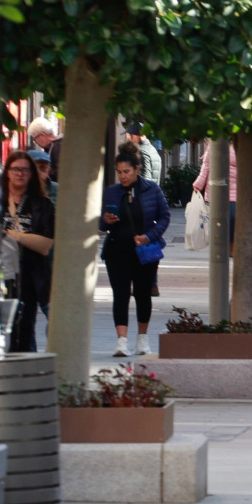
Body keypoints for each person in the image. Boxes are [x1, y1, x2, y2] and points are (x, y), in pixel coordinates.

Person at [100, 151, 170, 357]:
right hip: (117, 250)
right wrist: (106, 220)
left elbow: (164, 216)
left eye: (127, 171)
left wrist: (149, 236)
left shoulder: (152, 189)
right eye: (119, 172)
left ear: (137, 169)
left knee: (142, 294)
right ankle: (121, 341)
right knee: (120, 295)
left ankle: (142, 339)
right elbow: (100, 222)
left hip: (144, 250)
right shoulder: (111, 192)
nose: (122, 176)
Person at [0, 151, 55, 352]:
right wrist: (26, 237)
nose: (20, 174)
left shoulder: (42, 205)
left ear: (32, 174)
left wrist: (14, 235)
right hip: (0, 275)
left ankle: (24, 365)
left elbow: (45, 244)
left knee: (25, 324)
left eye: (25, 170)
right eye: (15, 169)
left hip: (31, 275)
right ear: (7, 172)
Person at [192, 142, 238, 252]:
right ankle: (221, 247)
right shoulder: (213, 145)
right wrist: (198, 184)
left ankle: (231, 245)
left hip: (235, 190)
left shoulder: (240, 146)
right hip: (216, 190)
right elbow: (206, 166)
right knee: (218, 221)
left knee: (233, 217)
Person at [27, 117, 62, 182]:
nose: (36, 143)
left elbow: (59, 172)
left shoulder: (57, 147)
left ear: (42, 136)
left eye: (35, 140)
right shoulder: (57, 145)